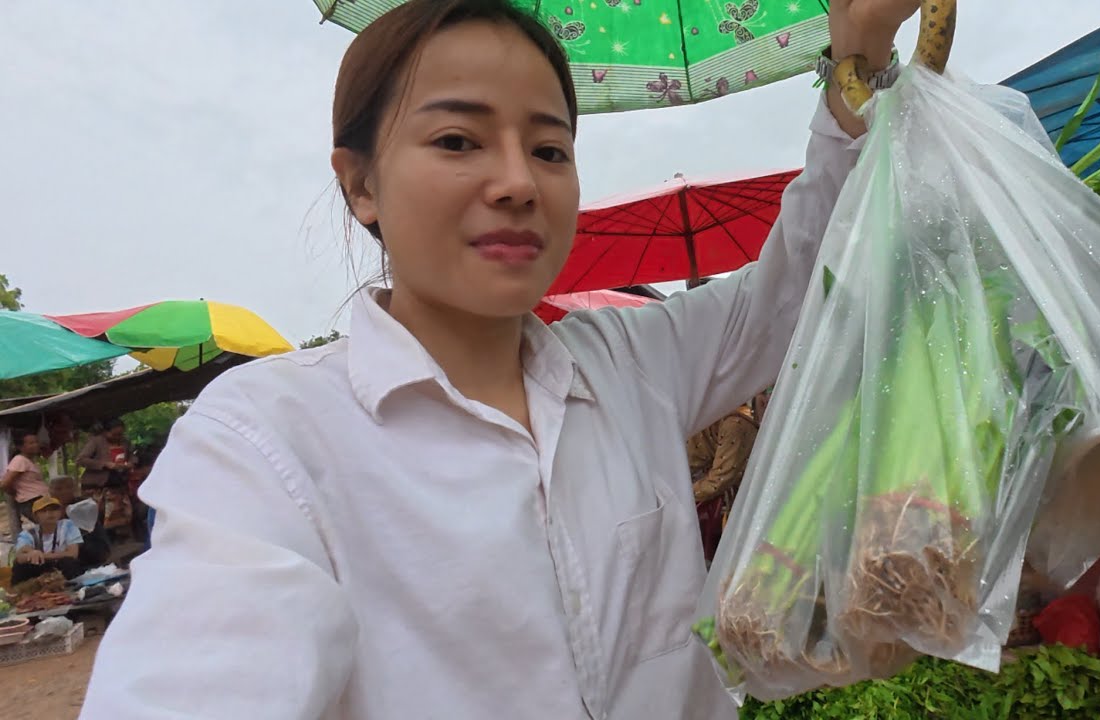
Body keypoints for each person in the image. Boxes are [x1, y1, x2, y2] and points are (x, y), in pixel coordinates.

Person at [82, 0, 919, 717]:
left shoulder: (635, 360)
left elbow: (798, 280)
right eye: (457, 140)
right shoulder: (265, 441)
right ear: (360, 184)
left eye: (550, 149)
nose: (519, 181)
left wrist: (861, 59)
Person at [687, 391, 767, 564]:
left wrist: (683, 495)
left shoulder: (736, 424)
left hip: (730, 512)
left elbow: (719, 480)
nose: (767, 400)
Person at [12, 496, 84, 585]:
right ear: (35, 516)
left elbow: (73, 553)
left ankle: (74, 588)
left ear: (60, 512)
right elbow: (20, 556)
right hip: (39, 568)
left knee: (69, 562)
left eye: (54, 510)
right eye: (44, 511)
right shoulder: (28, 533)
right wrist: (32, 552)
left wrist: (42, 555)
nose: (49, 513)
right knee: (20, 567)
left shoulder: (68, 525)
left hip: (60, 566)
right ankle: (18, 593)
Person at [49, 474, 111, 568]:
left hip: (92, 548)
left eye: (68, 487)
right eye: (58, 489)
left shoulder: (84, 505)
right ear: (50, 491)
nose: (64, 492)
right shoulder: (49, 509)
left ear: (75, 489)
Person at [2, 433, 49, 521]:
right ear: (21, 447)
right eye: (31, 443)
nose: (36, 445)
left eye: (36, 442)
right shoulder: (19, 460)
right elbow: (5, 483)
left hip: (40, 499)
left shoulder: (29, 461)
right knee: (49, 525)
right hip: (31, 501)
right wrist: (14, 492)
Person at [76, 418, 132, 491]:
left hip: (119, 482)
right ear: (105, 432)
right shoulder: (96, 441)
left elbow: (132, 455)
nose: (117, 437)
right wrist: (105, 464)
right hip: (96, 484)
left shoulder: (125, 442)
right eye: (114, 434)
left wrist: (131, 463)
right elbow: (81, 460)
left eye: (120, 434)